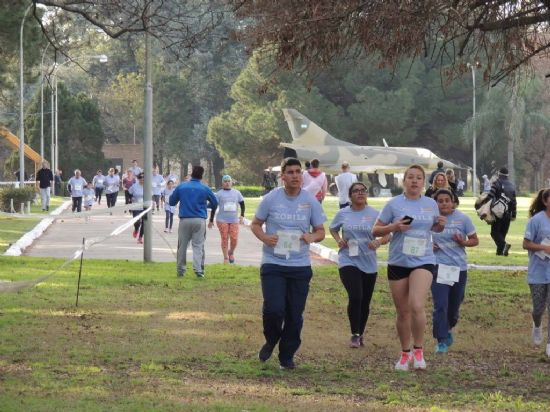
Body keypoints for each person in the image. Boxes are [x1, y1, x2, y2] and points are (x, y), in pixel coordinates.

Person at [251, 157, 326, 370]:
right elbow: (256, 224)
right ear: (282, 177)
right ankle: (271, 339)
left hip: (300, 265)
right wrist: (265, 238)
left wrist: (311, 237)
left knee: (294, 314)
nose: (295, 175)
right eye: (290, 172)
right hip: (273, 263)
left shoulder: (310, 200)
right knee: (274, 309)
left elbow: (320, 231)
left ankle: (287, 356)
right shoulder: (271, 198)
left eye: (298, 172)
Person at [373, 164, 446, 371]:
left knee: (416, 305)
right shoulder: (393, 204)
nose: (414, 181)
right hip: (398, 261)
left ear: (424, 182)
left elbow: (434, 228)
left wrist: (440, 225)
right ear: (404, 181)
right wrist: (394, 227)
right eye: (410, 177)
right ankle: (405, 353)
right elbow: (376, 230)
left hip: (423, 259)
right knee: (403, 312)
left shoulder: (430, 204)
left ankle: (419, 349)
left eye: (418, 178)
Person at [329, 181, 389, 348]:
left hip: (368, 261)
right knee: (356, 296)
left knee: (365, 301)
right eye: (356, 191)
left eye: (363, 190)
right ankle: (354, 334)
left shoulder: (375, 214)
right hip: (348, 259)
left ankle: (360, 333)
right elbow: (333, 229)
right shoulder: (343, 213)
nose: (360, 193)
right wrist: (339, 240)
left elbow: (388, 235)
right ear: (350, 195)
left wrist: (378, 242)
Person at [431, 189, 478, 354]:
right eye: (440, 201)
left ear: (453, 202)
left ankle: (448, 327)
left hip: (459, 268)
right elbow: (420, 237)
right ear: (435, 203)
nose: (444, 203)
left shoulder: (463, 218)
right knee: (441, 305)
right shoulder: (432, 220)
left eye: (447, 200)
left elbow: (474, 240)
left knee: (453, 308)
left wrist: (463, 242)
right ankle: (441, 340)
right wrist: (428, 246)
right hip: (439, 267)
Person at [169, 165, 218, 278]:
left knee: (182, 246)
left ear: (191, 174)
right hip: (199, 220)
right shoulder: (205, 188)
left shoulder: (182, 187)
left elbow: (172, 202)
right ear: (201, 175)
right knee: (198, 245)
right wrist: (206, 205)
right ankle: (198, 270)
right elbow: (215, 203)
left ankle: (181, 270)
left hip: (185, 219)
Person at [522, 188, 550, 358]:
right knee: (538, 308)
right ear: (546, 201)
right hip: (538, 272)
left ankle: (549, 345)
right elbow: (526, 244)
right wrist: (544, 247)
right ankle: (537, 324)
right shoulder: (536, 220)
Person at [210, 175, 245, 264]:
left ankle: (231, 252)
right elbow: (214, 207)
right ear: (222, 183)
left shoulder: (237, 193)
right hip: (222, 220)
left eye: (229, 181)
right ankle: (225, 257)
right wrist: (211, 220)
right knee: (224, 238)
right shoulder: (219, 194)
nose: (227, 183)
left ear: (231, 182)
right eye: (225, 181)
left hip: (234, 220)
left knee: (234, 239)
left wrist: (242, 215)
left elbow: (242, 204)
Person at [486, 167, 517, 256]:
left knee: (494, 232)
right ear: (507, 175)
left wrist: (483, 202)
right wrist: (514, 214)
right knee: (502, 234)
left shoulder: (496, 183)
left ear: (499, 174)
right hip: (508, 214)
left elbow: (490, 196)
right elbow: (514, 201)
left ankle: (504, 245)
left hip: (498, 213)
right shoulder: (512, 185)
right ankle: (500, 253)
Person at [129, 173, 146, 244]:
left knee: (144, 223)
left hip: (145, 207)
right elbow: (129, 193)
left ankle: (140, 237)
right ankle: (136, 229)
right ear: (138, 178)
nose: (142, 179)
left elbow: (152, 196)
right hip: (136, 206)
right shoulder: (134, 186)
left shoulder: (148, 186)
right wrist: (130, 200)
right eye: (141, 177)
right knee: (137, 221)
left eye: (143, 178)